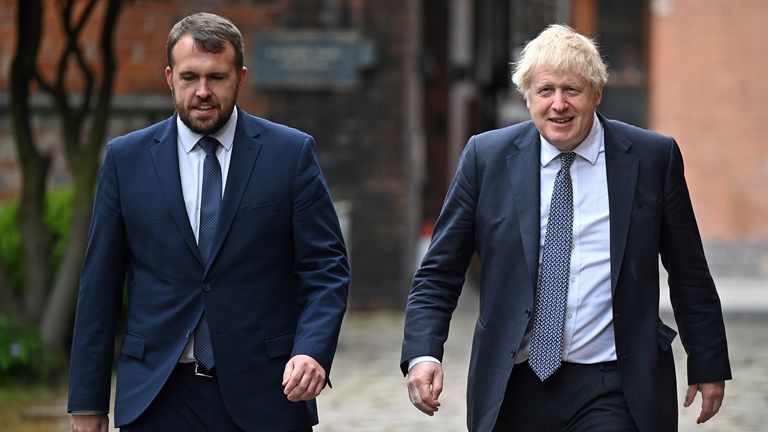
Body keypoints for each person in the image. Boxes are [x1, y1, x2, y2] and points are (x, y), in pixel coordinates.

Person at [400, 24, 731, 432]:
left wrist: (708, 361)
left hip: (614, 380)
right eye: (545, 91)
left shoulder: (652, 158)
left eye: (571, 90)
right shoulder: (485, 159)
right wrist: (423, 353)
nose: (559, 104)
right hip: (513, 381)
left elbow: (688, 270)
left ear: (597, 93)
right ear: (528, 97)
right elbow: (439, 271)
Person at [67, 12, 349, 432]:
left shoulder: (290, 155)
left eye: (216, 77)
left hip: (267, 392)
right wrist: (87, 401)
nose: (202, 91)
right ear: (169, 78)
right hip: (157, 396)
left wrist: (312, 350)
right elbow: (99, 288)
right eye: (190, 77)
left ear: (240, 78)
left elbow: (326, 269)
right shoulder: (126, 160)